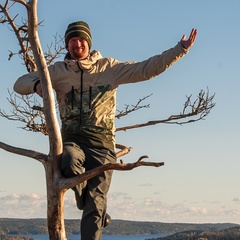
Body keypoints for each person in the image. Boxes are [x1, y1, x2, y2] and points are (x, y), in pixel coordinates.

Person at [14, 21, 197, 240]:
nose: (77, 44)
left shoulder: (109, 68)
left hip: (102, 144)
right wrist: (37, 85)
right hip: (72, 140)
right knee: (69, 161)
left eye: (81, 39)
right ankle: (84, 200)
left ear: (88, 42)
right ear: (67, 45)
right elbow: (20, 83)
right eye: (72, 40)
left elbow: (147, 69)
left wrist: (180, 49)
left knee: (96, 203)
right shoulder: (57, 71)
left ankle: (93, 208)